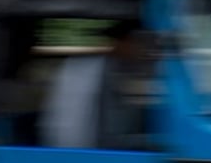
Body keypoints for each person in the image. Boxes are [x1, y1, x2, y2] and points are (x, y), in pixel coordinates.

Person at [40, 19, 151, 150]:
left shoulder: (122, 70)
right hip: (80, 152)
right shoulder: (83, 69)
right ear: (125, 41)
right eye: (140, 42)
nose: (144, 50)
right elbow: (70, 122)